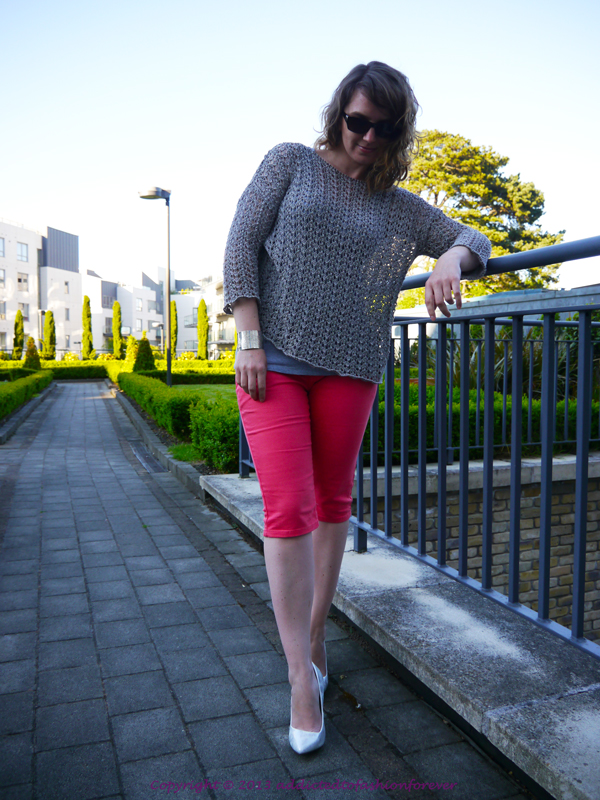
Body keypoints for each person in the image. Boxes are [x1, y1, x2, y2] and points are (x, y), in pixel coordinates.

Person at [223, 61, 491, 754]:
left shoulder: (399, 206)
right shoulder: (290, 163)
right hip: (272, 361)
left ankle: (316, 635)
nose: (369, 137)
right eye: (359, 121)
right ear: (339, 111)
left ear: (400, 131)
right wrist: (247, 339)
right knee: (289, 509)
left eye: (385, 128)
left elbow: (475, 238)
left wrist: (449, 260)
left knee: (334, 502)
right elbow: (240, 243)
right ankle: (299, 678)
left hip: (352, 368)